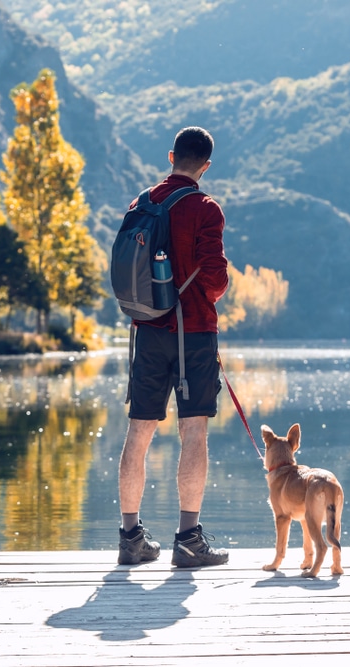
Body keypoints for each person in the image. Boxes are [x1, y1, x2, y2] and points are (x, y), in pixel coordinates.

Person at [117, 126, 230, 568]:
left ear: (170, 156)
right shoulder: (206, 208)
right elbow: (216, 279)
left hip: (145, 330)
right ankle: (187, 540)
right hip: (194, 334)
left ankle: (131, 538)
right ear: (205, 166)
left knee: (139, 431)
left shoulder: (141, 203)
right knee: (194, 431)